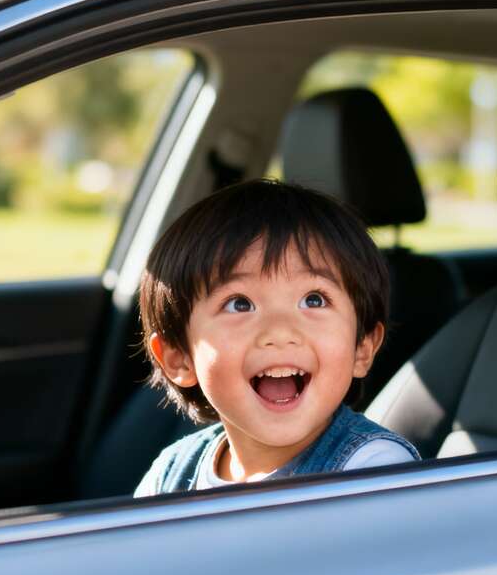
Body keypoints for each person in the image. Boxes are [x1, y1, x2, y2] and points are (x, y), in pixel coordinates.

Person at [134, 179, 419, 497]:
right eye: (239, 304)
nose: (280, 331)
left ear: (362, 348)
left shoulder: (373, 468)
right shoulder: (172, 472)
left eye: (314, 299)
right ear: (179, 358)